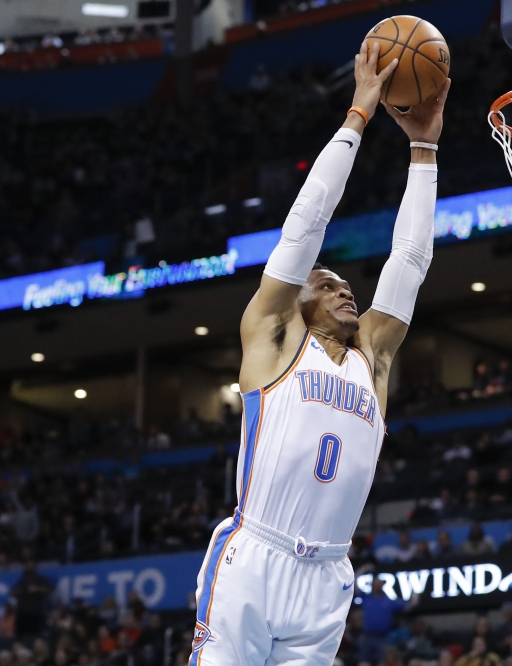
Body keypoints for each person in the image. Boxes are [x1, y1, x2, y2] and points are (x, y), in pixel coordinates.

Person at [188, 43, 450, 666]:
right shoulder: (273, 335)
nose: (344, 289)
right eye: (326, 284)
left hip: (327, 577)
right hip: (254, 558)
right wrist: (358, 116)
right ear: (298, 299)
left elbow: (409, 263)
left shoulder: (373, 360)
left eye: (346, 285)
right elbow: (304, 226)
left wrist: (425, 150)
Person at [11, 561, 53, 637]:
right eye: (27, 566)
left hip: (35, 612)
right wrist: (16, 592)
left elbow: (48, 590)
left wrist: (37, 589)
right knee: (21, 634)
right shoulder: (22, 581)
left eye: (31, 566)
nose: (29, 568)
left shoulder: (39, 580)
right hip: (23, 611)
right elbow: (14, 592)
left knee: (35, 634)